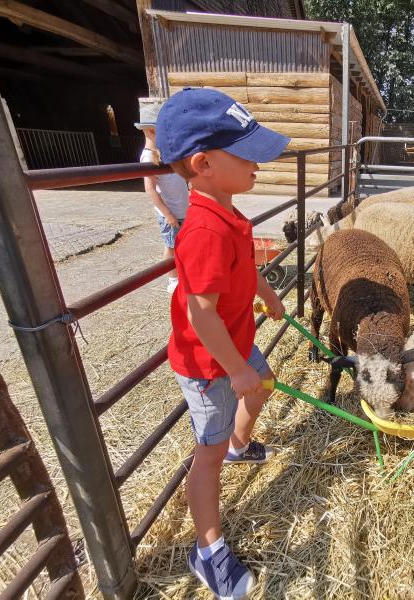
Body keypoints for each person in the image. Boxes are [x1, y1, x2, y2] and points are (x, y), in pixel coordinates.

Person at [155, 88, 289, 599]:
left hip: (235, 343)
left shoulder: (229, 214)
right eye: (247, 152)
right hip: (209, 364)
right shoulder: (204, 230)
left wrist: (267, 294)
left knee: (265, 384)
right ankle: (207, 550)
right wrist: (234, 369)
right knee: (204, 456)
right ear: (204, 163)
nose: (259, 162)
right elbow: (199, 311)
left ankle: (239, 444)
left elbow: (245, 267)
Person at [136, 99, 190, 294]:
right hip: (171, 212)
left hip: (182, 208)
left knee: (183, 244)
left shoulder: (165, 155)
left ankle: (183, 274)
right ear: (152, 131)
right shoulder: (148, 157)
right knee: (171, 245)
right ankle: (172, 279)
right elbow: (150, 189)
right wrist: (167, 213)